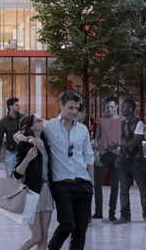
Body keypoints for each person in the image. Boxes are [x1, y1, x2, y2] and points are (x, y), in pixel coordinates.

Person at [44, 90, 93, 250]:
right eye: (70, 107)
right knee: (67, 224)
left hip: (83, 184)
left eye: (76, 108)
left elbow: (88, 157)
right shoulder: (49, 127)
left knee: (81, 228)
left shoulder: (83, 130)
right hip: (62, 185)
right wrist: (26, 138)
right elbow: (20, 133)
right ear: (61, 106)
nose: (73, 112)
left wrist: (91, 184)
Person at [2, 114, 55, 249]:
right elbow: (17, 174)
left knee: (44, 236)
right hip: (31, 192)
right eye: (38, 120)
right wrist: (28, 158)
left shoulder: (46, 141)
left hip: (47, 190)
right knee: (36, 236)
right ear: (32, 127)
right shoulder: (24, 146)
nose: (42, 121)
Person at [114, 98, 146, 223]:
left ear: (130, 109)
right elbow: (124, 141)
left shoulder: (138, 123)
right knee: (123, 190)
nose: (121, 110)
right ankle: (125, 216)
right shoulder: (123, 123)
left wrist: (119, 146)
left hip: (136, 161)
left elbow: (136, 142)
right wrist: (119, 157)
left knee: (142, 189)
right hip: (124, 161)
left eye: (123, 107)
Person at [91, 96, 122, 221]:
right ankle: (98, 212)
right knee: (98, 185)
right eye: (108, 107)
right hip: (103, 156)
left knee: (115, 186)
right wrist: (96, 154)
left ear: (117, 106)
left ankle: (112, 214)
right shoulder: (101, 121)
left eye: (112, 107)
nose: (110, 109)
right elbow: (97, 138)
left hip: (117, 157)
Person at [0, 98, 24, 173]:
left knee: (21, 175)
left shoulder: (23, 118)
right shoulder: (3, 121)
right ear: (10, 107)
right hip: (11, 151)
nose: (19, 107)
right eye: (17, 105)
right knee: (10, 174)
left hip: (22, 150)